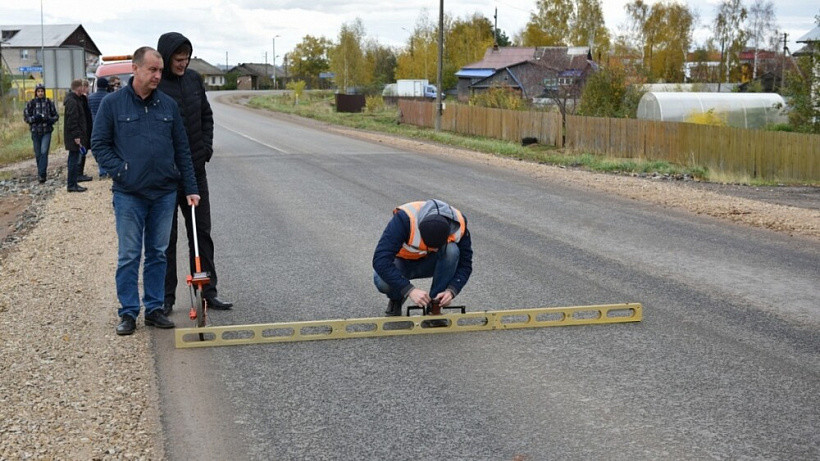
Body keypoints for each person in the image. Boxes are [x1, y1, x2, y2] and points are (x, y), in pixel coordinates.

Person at [91, 46, 200, 336]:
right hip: (129, 195)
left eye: (160, 70)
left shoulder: (168, 106)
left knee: (158, 253)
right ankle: (128, 312)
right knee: (129, 255)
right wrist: (122, 170)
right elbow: (99, 144)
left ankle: (154, 308)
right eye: (152, 70)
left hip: (164, 193)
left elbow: (182, 149)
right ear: (136, 69)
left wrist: (190, 187)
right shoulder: (113, 104)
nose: (157, 75)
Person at [157, 32, 232, 314]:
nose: (183, 64)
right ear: (166, 57)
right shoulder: (157, 82)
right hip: (165, 177)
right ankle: (166, 299)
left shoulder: (193, 80)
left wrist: (206, 149)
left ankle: (207, 291)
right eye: (178, 59)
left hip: (196, 171)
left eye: (186, 59)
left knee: (201, 234)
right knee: (166, 239)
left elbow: (206, 116)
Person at [372, 199, 473, 316]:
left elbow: (465, 264)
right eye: (430, 246)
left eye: (438, 247)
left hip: (429, 263)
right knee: (382, 282)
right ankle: (397, 298)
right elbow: (380, 260)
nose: (434, 250)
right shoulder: (404, 220)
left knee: (451, 251)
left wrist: (452, 290)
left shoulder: (459, 224)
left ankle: (435, 305)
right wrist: (408, 290)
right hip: (401, 263)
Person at [23, 84, 59, 183]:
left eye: (42, 91)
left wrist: (49, 119)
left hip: (46, 131)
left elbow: (56, 116)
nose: (40, 93)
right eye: (38, 91)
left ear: (44, 92)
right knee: (38, 153)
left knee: (44, 152)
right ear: (36, 92)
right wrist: (35, 118)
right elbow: (26, 117)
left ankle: (42, 174)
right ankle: (40, 172)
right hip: (35, 131)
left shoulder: (49, 103)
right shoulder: (31, 103)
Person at [63, 79, 90, 192]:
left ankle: (73, 183)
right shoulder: (72, 102)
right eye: (82, 86)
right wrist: (76, 136)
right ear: (78, 87)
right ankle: (72, 184)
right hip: (73, 137)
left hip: (75, 135)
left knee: (74, 159)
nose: (84, 88)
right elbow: (72, 121)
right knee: (73, 161)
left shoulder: (77, 99)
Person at [87, 77, 109, 178]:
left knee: (100, 147)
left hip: (94, 125)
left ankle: (102, 171)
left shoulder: (90, 98)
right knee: (109, 148)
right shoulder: (109, 97)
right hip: (107, 125)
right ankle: (109, 170)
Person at [77, 80, 94, 183]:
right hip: (82, 130)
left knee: (83, 151)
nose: (88, 89)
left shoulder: (84, 99)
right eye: (86, 87)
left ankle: (80, 173)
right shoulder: (79, 100)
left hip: (86, 129)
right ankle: (78, 174)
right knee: (80, 152)